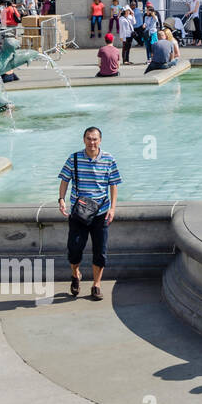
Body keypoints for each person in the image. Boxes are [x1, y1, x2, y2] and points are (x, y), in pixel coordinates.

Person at [58, 127, 121, 301]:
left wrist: (113, 208)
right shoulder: (74, 158)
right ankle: (76, 274)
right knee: (74, 250)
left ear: (100, 140)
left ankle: (96, 285)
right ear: (83, 139)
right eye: (88, 138)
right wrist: (61, 199)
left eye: (95, 139)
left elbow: (113, 184)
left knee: (100, 251)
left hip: (101, 213)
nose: (91, 142)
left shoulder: (109, 159)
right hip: (79, 213)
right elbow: (64, 180)